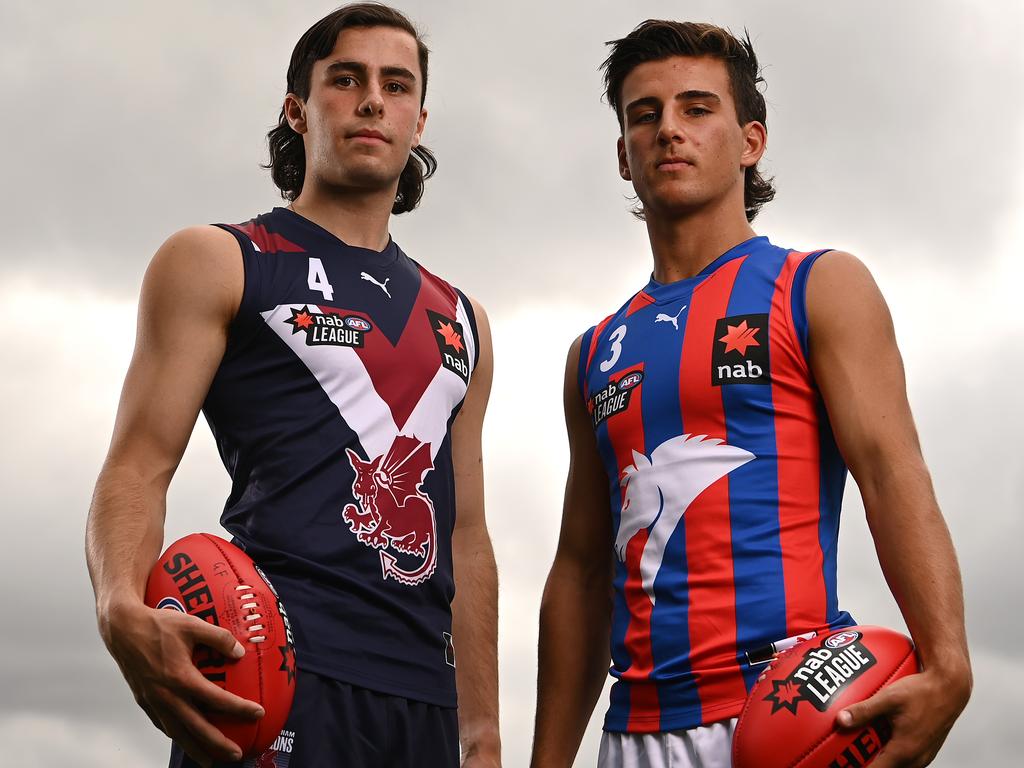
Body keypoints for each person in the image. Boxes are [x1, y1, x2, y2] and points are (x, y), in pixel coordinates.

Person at [531, 20, 970, 768]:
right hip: (630, 734)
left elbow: (893, 474)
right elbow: (579, 568)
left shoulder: (818, 287)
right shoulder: (593, 353)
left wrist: (949, 666)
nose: (669, 129)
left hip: (788, 713)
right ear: (622, 155)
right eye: (645, 115)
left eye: (697, 108)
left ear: (750, 141)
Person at [85, 5, 500, 767]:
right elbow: (137, 465)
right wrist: (118, 606)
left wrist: (483, 734)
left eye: (396, 85)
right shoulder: (221, 259)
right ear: (298, 110)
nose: (373, 99)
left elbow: (467, 539)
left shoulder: (463, 318)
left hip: (423, 702)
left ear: (418, 120)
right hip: (273, 672)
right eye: (346, 79)